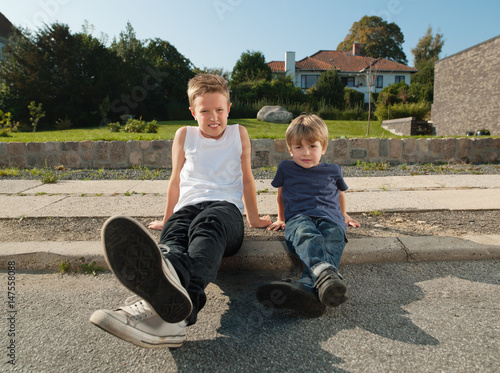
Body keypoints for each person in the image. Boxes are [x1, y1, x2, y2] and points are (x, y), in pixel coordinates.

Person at [90, 74, 271, 348]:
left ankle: (162, 305)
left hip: (225, 212)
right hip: (187, 207)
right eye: (205, 111)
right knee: (173, 239)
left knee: (208, 226)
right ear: (192, 112)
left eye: (220, 110)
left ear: (229, 108)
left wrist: (254, 219)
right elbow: (175, 180)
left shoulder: (238, 133)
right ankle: (167, 316)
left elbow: (247, 178)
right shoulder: (184, 135)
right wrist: (166, 218)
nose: (214, 117)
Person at [256, 114, 360, 315]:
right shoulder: (286, 168)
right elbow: (281, 196)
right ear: (290, 149)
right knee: (306, 235)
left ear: (324, 147)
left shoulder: (333, 170)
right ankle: (324, 278)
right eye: (298, 147)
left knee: (332, 237)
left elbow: (339, 194)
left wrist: (344, 215)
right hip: (298, 217)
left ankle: (306, 286)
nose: (306, 153)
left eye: (312, 146)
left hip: (331, 217)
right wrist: (281, 219)